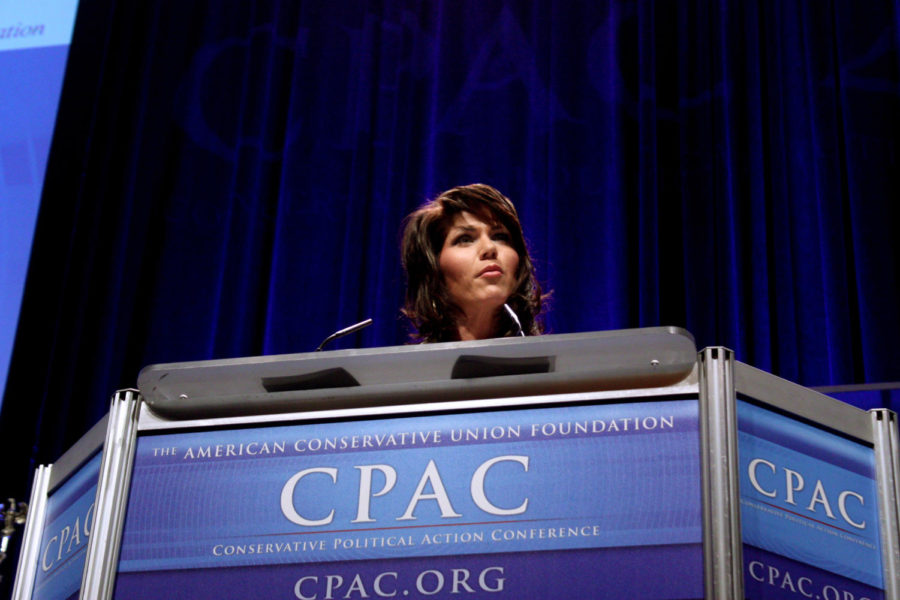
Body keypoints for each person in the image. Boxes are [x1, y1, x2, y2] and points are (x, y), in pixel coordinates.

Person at [401, 183, 545, 342]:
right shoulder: (414, 366)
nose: (489, 248)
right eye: (465, 239)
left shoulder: (554, 364)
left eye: (500, 237)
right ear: (433, 267)